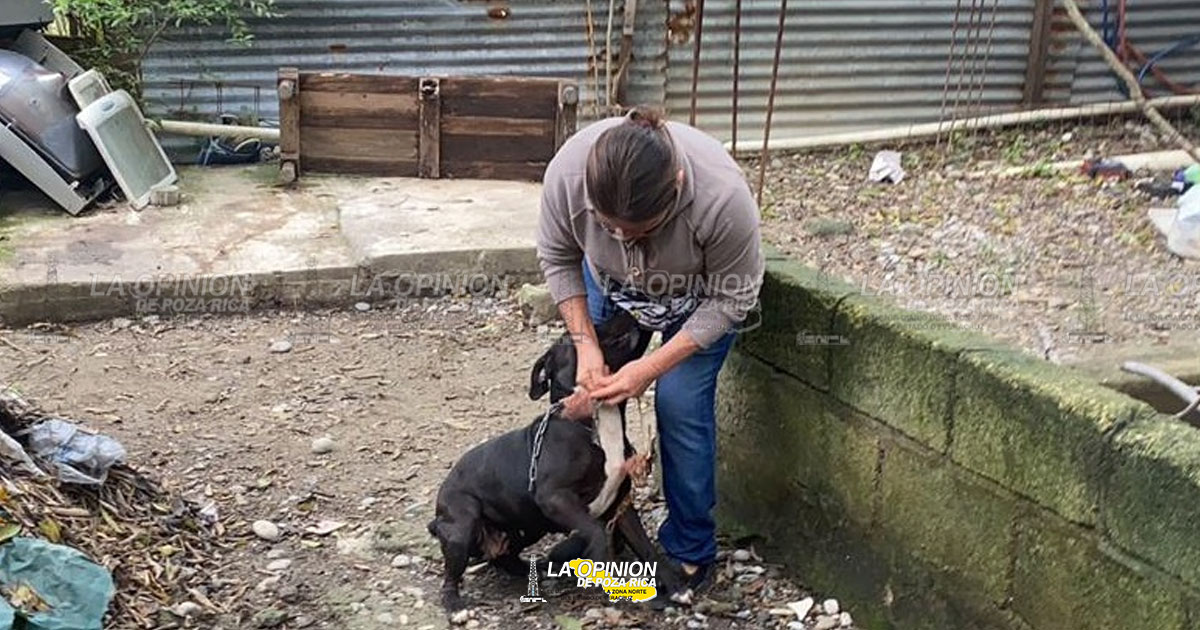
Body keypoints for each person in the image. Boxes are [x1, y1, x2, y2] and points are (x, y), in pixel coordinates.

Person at [535, 105, 765, 595]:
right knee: (588, 389)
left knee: (679, 403)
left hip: (700, 300)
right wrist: (585, 344)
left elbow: (733, 298)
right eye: (608, 227)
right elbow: (558, 256)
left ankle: (689, 551)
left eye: (639, 231)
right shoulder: (569, 174)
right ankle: (597, 518)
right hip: (611, 288)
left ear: (676, 185)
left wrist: (651, 367)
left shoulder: (722, 199)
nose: (622, 239)